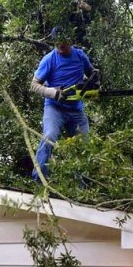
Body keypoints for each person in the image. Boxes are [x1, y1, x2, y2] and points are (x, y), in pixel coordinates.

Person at [29, 28, 95, 181]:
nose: (60, 45)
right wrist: (53, 93)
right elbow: (34, 85)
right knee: (49, 136)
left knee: (84, 145)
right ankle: (39, 180)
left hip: (76, 109)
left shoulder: (80, 55)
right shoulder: (49, 59)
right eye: (57, 42)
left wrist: (94, 83)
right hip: (55, 108)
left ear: (70, 41)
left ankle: (81, 187)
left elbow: (92, 73)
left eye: (63, 42)